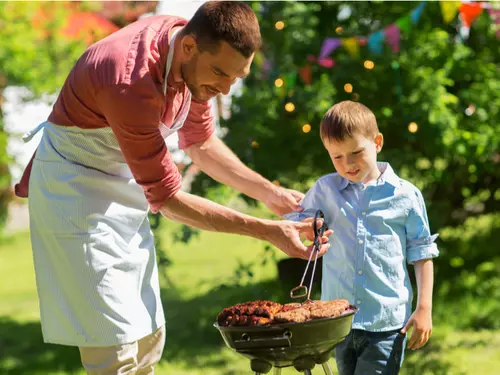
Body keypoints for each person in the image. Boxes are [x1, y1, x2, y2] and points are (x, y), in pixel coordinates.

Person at [14, 2, 332, 374]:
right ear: (189, 48)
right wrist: (267, 230)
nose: (224, 89)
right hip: (76, 195)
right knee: (113, 348)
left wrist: (270, 194)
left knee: (149, 335)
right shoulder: (129, 81)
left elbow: (200, 143)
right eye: (219, 74)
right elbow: (168, 199)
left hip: (125, 187)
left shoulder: (191, 61)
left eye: (235, 77)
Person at [284, 100, 439, 375]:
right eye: (337, 156)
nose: (348, 163)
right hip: (338, 319)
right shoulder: (325, 189)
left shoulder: (405, 195)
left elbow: (422, 252)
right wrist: (308, 226)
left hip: (387, 322)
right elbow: (294, 225)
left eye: (356, 152)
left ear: (377, 142)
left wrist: (424, 307)